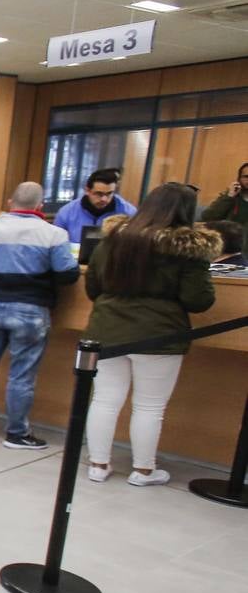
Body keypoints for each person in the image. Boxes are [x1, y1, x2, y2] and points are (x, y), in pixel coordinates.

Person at [84, 184, 221, 486]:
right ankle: (143, 471)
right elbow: (199, 300)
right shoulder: (189, 248)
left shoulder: (114, 239)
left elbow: (93, 286)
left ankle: (98, 464)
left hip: (106, 330)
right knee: (149, 406)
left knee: (105, 400)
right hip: (159, 334)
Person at [0, 181, 80, 448]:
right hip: (31, 310)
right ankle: (16, 433)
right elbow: (67, 275)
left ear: (9, 203)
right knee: (21, 375)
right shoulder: (54, 234)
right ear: (40, 207)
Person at [53, 168, 138, 244]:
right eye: (99, 194)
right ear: (87, 190)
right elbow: (56, 245)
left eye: (109, 194)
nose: (104, 199)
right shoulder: (66, 213)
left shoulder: (129, 213)